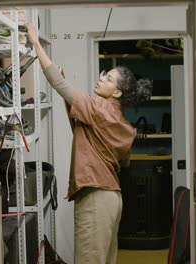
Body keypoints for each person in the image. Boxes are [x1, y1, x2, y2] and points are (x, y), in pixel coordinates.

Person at [25, 23, 153, 264]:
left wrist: (35, 42)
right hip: (112, 198)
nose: (101, 78)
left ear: (117, 93)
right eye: (104, 74)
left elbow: (57, 83)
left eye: (109, 79)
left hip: (95, 198)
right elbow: (123, 162)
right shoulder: (119, 120)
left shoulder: (98, 107)